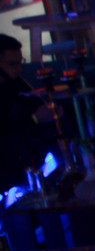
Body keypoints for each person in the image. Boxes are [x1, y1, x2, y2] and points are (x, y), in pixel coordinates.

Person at [0, 34, 57, 190]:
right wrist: (35, 119)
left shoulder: (15, 82)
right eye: (13, 64)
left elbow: (35, 103)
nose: (19, 68)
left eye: (20, 62)